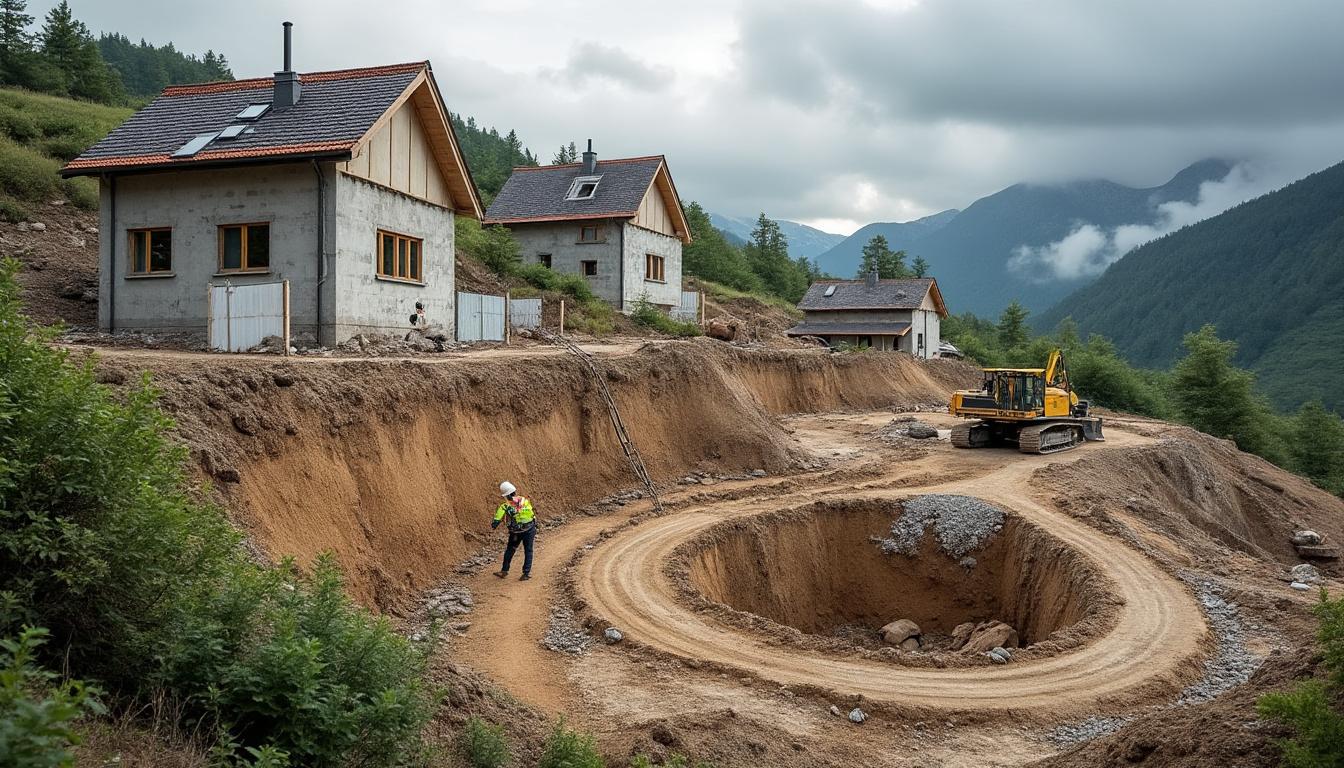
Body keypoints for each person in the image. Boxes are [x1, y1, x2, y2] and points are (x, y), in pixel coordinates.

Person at [492, 481, 536, 581]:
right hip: (529, 529)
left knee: (510, 549)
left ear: (505, 495)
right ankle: (526, 574)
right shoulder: (524, 500)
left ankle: (504, 571)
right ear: (514, 491)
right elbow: (531, 512)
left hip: (516, 532)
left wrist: (494, 525)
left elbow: (496, 520)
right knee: (528, 551)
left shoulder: (505, 506)